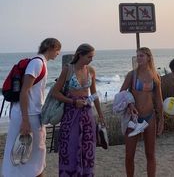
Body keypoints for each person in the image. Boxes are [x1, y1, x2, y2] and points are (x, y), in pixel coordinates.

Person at [2, 37, 61, 177]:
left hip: (29, 113)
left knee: (31, 149)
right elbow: (24, 91)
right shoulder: (37, 63)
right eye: (58, 50)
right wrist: (25, 120)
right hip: (28, 114)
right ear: (51, 47)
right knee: (30, 149)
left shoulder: (40, 63)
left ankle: (35, 174)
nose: (58, 53)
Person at [52, 43, 105, 177]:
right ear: (80, 55)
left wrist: (100, 114)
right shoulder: (68, 69)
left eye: (92, 57)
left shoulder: (91, 71)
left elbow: (93, 94)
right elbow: (55, 93)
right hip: (71, 116)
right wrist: (74, 101)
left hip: (87, 116)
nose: (91, 59)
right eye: (89, 56)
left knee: (88, 149)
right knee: (70, 149)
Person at [120, 47, 164, 177]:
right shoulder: (131, 75)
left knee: (150, 154)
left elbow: (159, 99)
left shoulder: (155, 76)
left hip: (149, 118)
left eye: (141, 56)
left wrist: (161, 118)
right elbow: (121, 95)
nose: (138, 58)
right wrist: (130, 105)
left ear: (149, 57)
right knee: (129, 155)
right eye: (137, 56)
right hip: (133, 119)